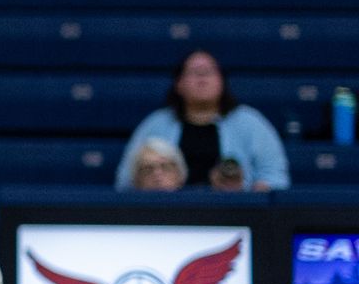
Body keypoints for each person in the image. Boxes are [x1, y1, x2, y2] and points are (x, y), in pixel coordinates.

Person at [116, 50, 289, 191]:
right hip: (168, 214)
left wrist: (244, 195)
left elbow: (275, 177)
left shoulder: (251, 123)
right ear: (178, 84)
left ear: (222, 81)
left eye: (209, 71)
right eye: (194, 72)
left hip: (234, 213)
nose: (202, 78)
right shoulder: (155, 125)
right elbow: (126, 180)